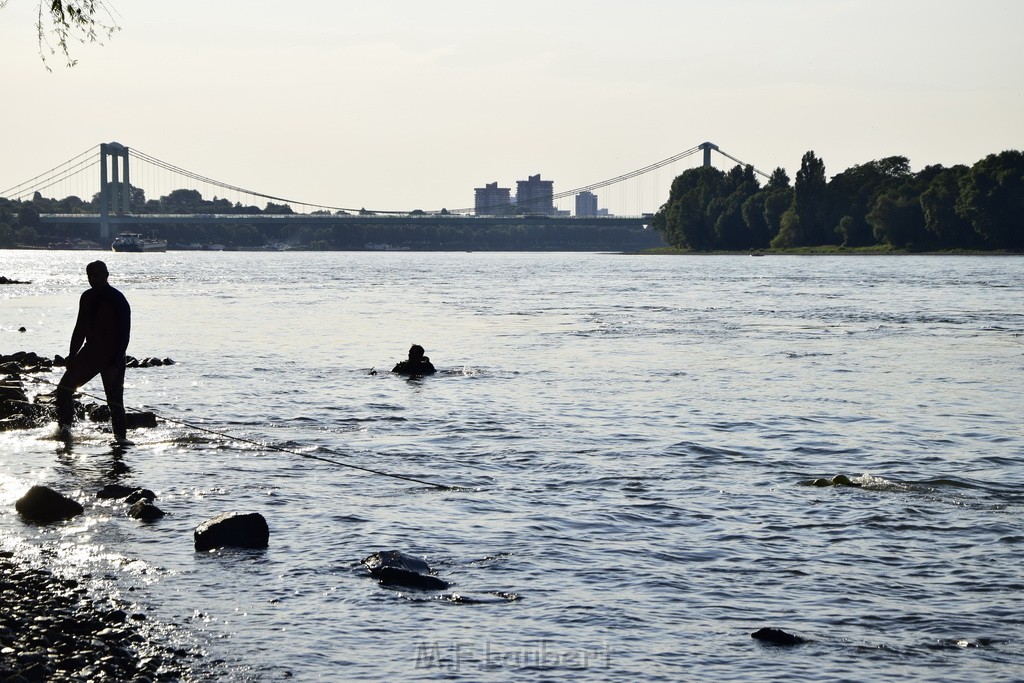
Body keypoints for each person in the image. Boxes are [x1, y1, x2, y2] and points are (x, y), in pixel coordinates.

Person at [56, 261, 132, 440]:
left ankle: (120, 440)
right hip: (90, 353)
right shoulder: (87, 297)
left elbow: (124, 334)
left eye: (96, 275)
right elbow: (80, 328)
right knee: (63, 390)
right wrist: (72, 355)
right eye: (90, 275)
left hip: (113, 355)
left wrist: (114, 363)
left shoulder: (117, 298)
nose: (93, 279)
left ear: (106, 275)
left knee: (114, 402)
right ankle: (65, 430)